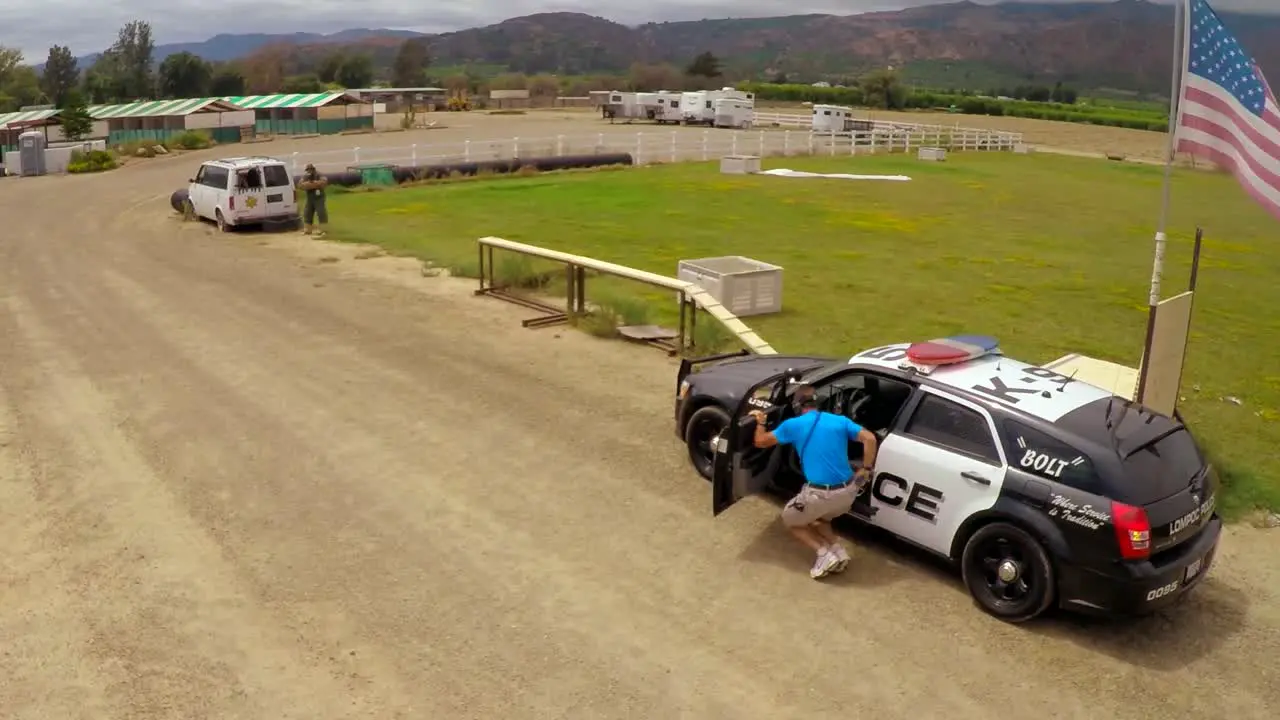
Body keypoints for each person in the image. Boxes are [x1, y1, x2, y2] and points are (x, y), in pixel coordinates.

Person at [750, 384, 878, 580]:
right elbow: (869, 438)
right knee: (821, 518)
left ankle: (823, 554)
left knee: (790, 519)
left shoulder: (793, 425)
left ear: (797, 405)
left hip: (820, 495)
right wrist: (866, 469)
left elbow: (760, 442)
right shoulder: (839, 421)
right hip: (848, 494)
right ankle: (837, 550)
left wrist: (761, 421)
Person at [299, 163, 329, 237]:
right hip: (310, 197)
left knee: (321, 212)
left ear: (313, 169)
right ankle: (308, 229)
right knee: (307, 213)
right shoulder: (305, 176)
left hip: (319, 197)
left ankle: (323, 229)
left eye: (310, 169)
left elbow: (324, 182)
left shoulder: (319, 175)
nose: (309, 171)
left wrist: (313, 184)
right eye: (308, 170)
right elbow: (300, 185)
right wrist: (311, 185)